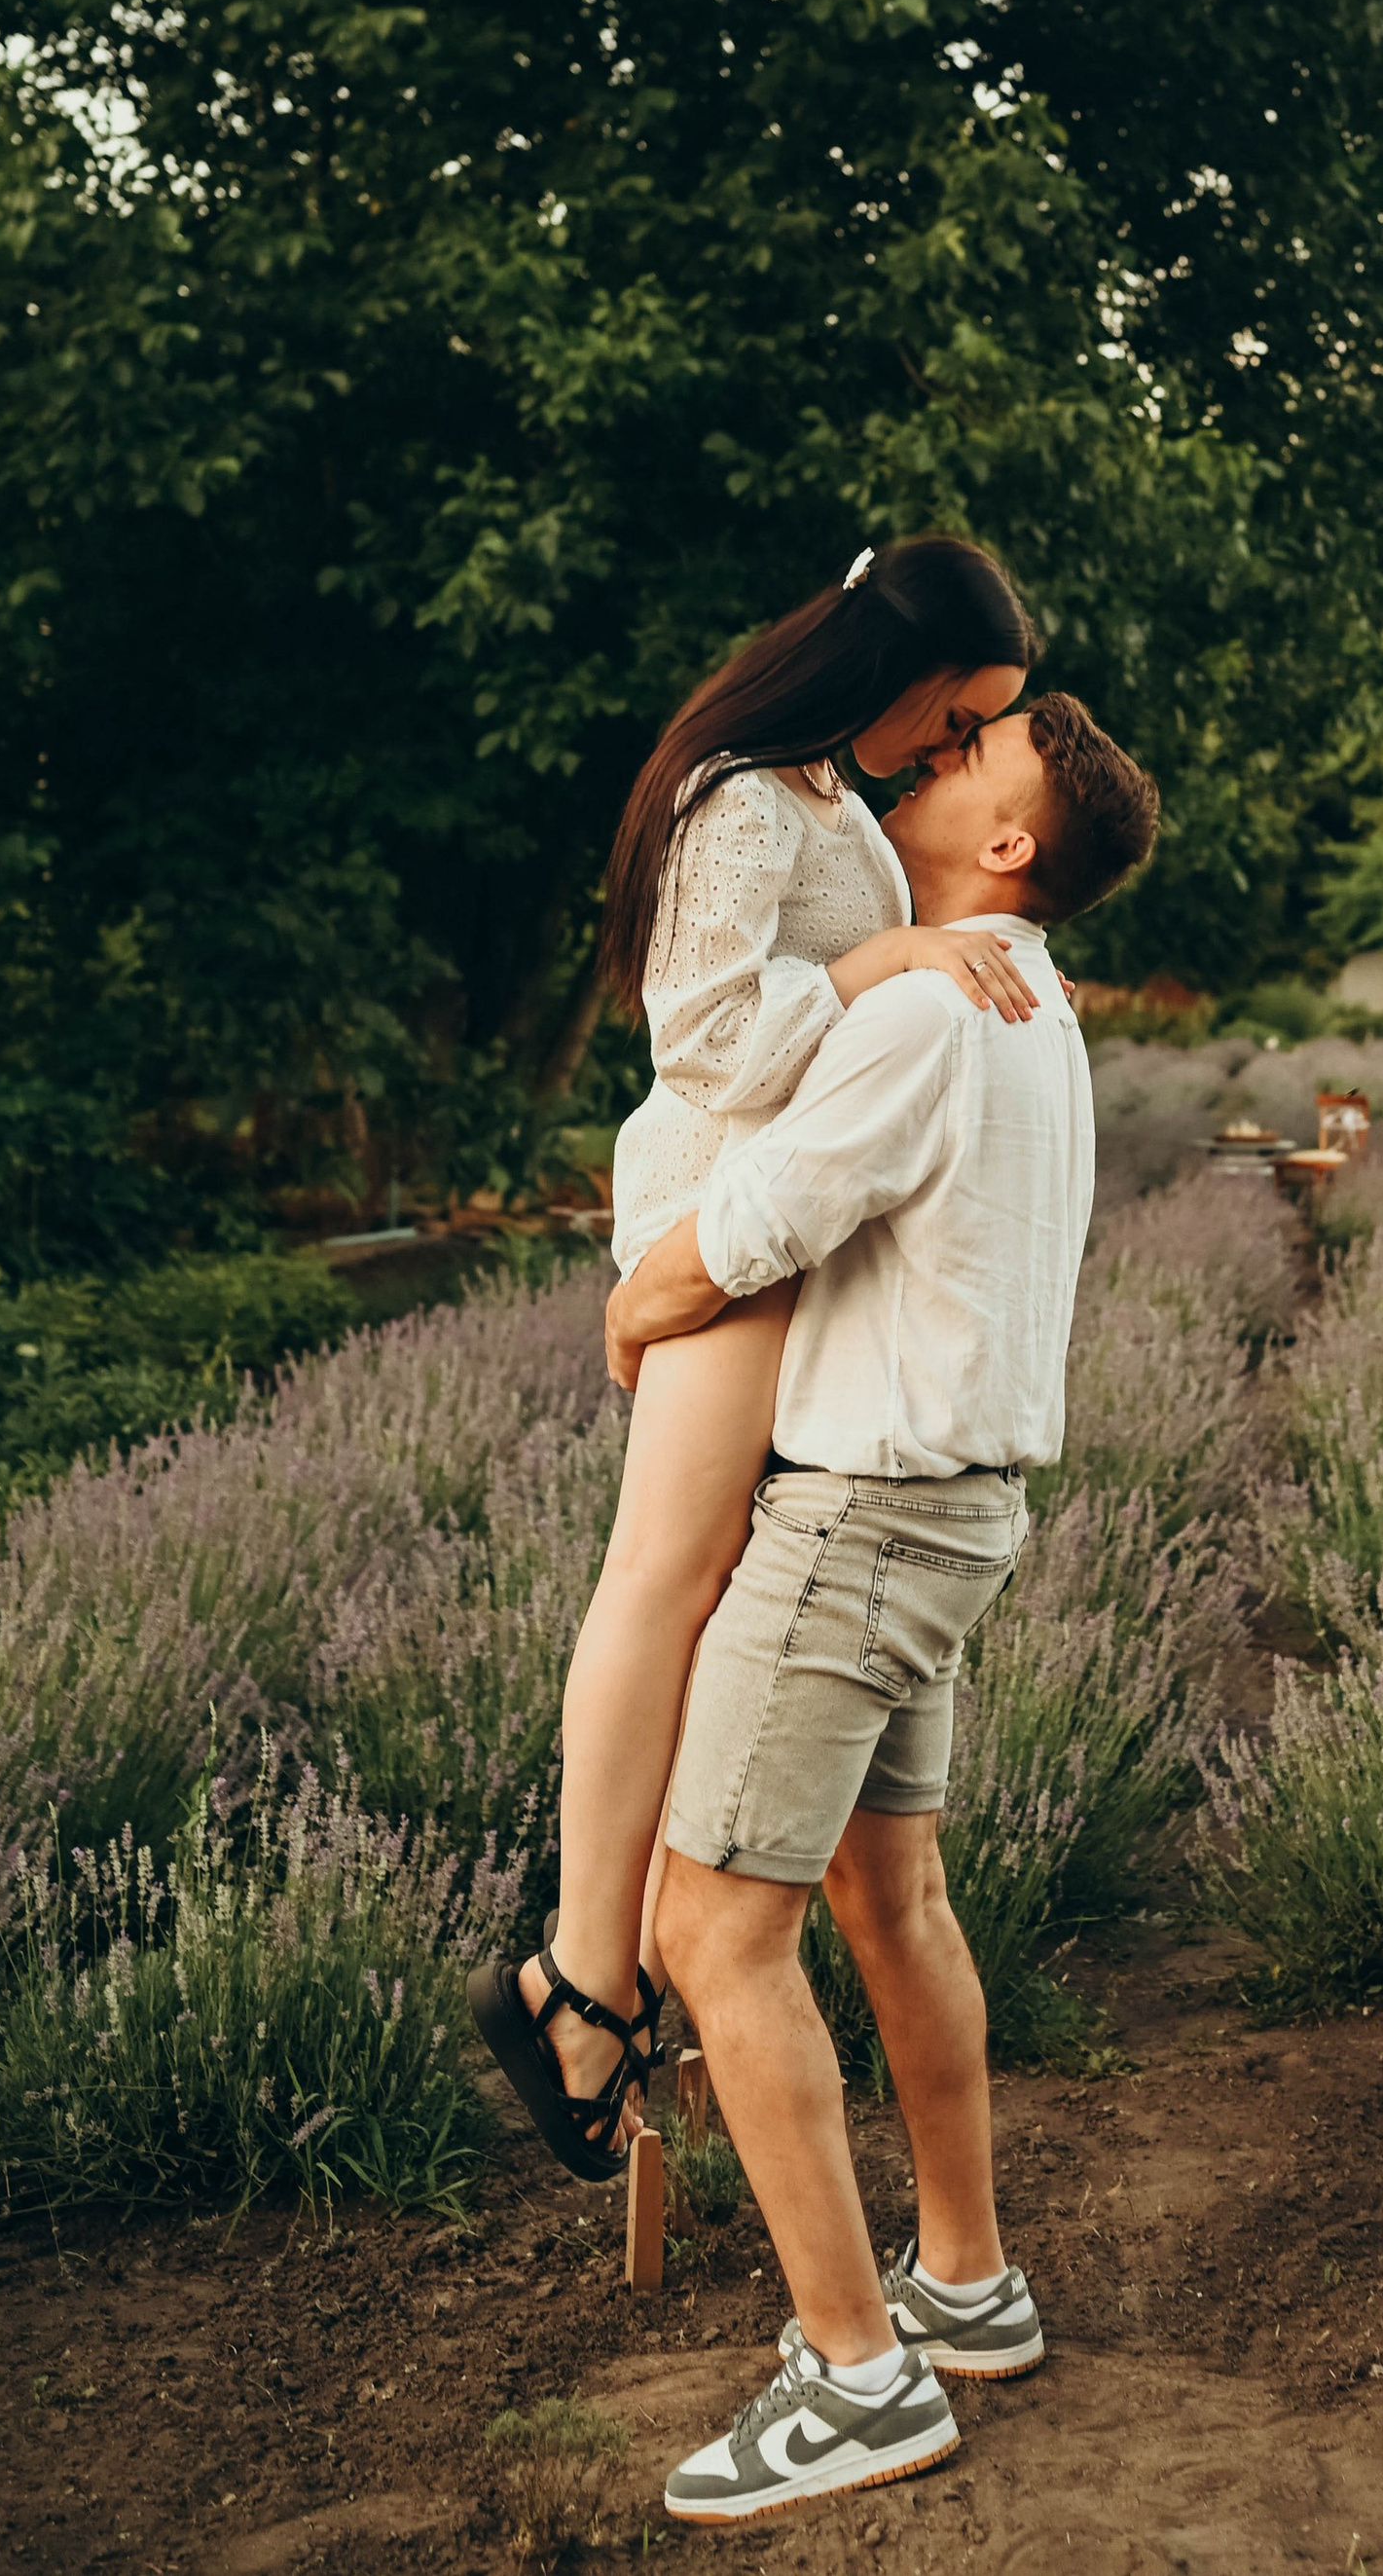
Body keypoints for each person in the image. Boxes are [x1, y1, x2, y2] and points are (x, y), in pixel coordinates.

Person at [601, 691, 1158, 2524]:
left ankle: (856, 2374)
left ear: (1009, 845)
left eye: (962, 766)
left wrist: (639, 1298)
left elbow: (771, 1207)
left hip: (857, 1524)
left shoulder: (932, 1003)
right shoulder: (1029, 1006)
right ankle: (967, 2285)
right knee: (886, 1892)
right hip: (953, 1511)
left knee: (711, 1930)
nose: (923, 766)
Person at [470, 537, 1042, 2179]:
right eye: (960, 715)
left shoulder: (831, 803)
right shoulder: (737, 793)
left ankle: (624, 1971)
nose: (951, 749)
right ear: (904, 667)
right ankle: (583, 1979)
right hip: (720, 1226)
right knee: (661, 1577)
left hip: (787, 1236)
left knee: (716, 1589)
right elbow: (703, 1039)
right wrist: (885, 961)